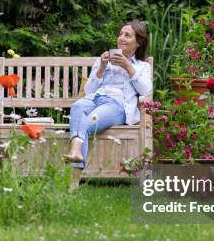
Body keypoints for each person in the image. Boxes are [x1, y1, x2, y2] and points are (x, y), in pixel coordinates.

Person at [62, 21, 153, 186]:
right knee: (77, 106)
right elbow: (89, 91)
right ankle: (76, 151)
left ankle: (73, 180)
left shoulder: (142, 66)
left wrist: (127, 66)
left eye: (127, 35)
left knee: (87, 122)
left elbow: (146, 90)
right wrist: (102, 67)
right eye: (120, 34)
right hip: (96, 98)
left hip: (117, 105)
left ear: (138, 43)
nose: (121, 38)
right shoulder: (103, 60)